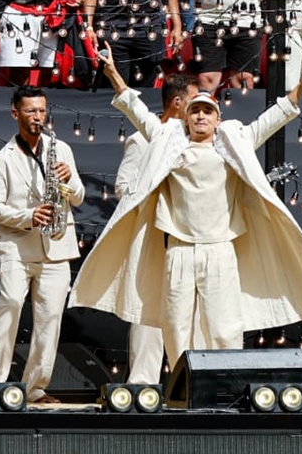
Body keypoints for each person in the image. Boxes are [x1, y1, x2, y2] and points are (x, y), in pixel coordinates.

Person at [73, 47, 302, 371]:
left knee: (224, 326)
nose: (201, 116)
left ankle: (224, 381)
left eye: (207, 112)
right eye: (195, 111)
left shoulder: (233, 142)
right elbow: (137, 110)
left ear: (218, 119)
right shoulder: (170, 143)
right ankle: (181, 386)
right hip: (179, 249)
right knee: (175, 326)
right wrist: (113, 73)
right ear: (185, 116)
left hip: (220, 249)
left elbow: (271, 119)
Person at [0, 85, 85, 404]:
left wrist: (68, 181)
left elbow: (77, 197)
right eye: (31, 111)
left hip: (56, 246)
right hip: (17, 247)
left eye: (41, 110)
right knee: (10, 304)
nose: (38, 117)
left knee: (50, 318)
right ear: (16, 114)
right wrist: (28, 215)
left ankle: (34, 388)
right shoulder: (1, 160)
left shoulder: (61, 149)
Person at [112, 72, 199, 384]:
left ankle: (187, 384)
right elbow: (123, 187)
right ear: (177, 103)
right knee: (148, 314)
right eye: (193, 101)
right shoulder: (142, 139)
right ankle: (142, 385)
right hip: (153, 238)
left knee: (186, 316)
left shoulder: (195, 144)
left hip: (185, 240)